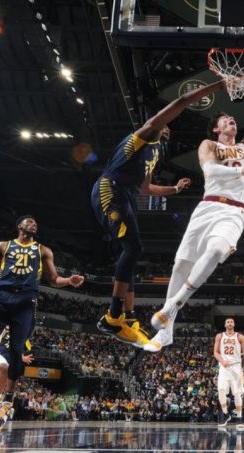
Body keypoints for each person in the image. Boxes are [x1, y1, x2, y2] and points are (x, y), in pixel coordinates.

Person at [146, 71, 244, 353]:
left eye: (233, 119)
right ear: (216, 129)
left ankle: (173, 306)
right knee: (181, 264)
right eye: (225, 119)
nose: (232, 119)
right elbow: (209, 170)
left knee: (218, 250)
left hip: (234, 212)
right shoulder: (209, 145)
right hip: (208, 206)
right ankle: (166, 333)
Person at [92, 81, 226, 348]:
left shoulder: (155, 151)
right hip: (111, 188)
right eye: (165, 124)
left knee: (132, 252)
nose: (168, 128)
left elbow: (145, 188)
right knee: (132, 249)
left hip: (128, 195)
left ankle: (129, 319)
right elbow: (183, 101)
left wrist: (174, 189)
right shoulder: (146, 134)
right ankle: (113, 317)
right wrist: (217, 86)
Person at [0, 215, 84, 430]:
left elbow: (54, 279)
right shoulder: (3, 246)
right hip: (1, 297)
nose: (33, 224)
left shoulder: (43, 250)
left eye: (35, 223)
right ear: (19, 226)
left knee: (16, 351)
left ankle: (7, 402)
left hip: (25, 301)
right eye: (29, 222)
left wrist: (68, 281)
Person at [213, 318, 244, 429]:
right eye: (228, 322)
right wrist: (222, 361)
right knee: (221, 390)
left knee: (237, 393)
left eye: (231, 322)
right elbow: (215, 352)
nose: (229, 323)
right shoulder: (219, 336)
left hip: (236, 367)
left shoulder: (239, 336)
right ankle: (225, 414)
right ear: (225, 325)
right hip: (224, 367)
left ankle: (239, 418)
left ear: (234, 324)